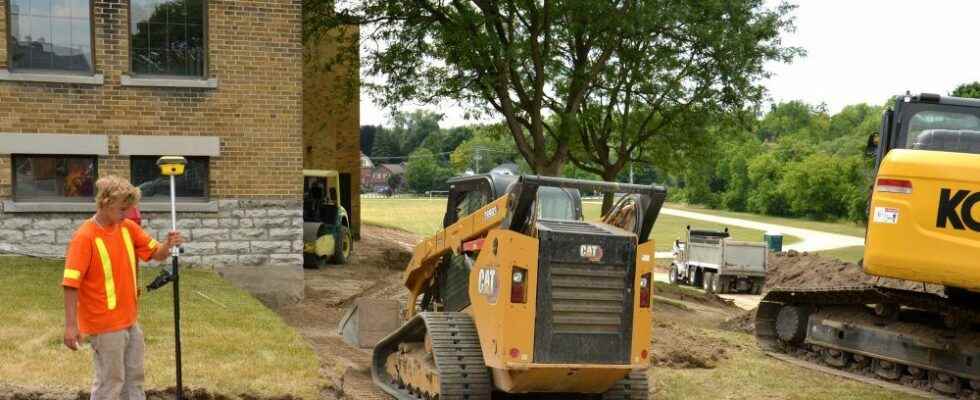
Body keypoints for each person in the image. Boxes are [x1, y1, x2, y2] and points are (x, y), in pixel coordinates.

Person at [62, 176, 184, 400]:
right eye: (122, 208)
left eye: (129, 208)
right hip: (104, 324)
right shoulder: (85, 237)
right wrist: (71, 326)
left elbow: (156, 253)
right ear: (105, 203)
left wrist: (168, 244)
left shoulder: (127, 228)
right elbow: (71, 284)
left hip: (129, 320)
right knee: (111, 382)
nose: (127, 214)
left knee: (134, 379)